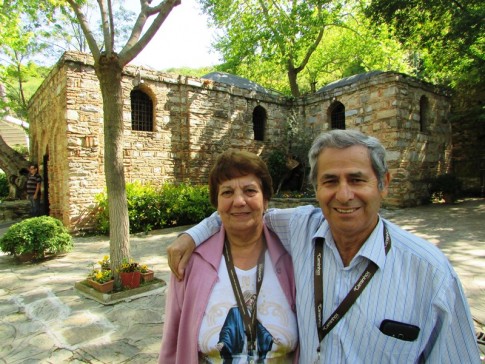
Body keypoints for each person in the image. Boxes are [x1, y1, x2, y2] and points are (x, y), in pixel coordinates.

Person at [167, 130, 481, 363]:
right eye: (330, 181)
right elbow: (242, 211)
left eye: (357, 180)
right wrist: (191, 236)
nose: (344, 195)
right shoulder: (301, 229)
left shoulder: (431, 274)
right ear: (316, 188)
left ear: (383, 183)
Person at [158, 150, 298, 363]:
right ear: (216, 204)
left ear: (266, 200)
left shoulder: (292, 259)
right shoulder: (191, 264)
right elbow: (172, 344)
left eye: (250, 191)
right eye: (227, 193)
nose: (239, 201)